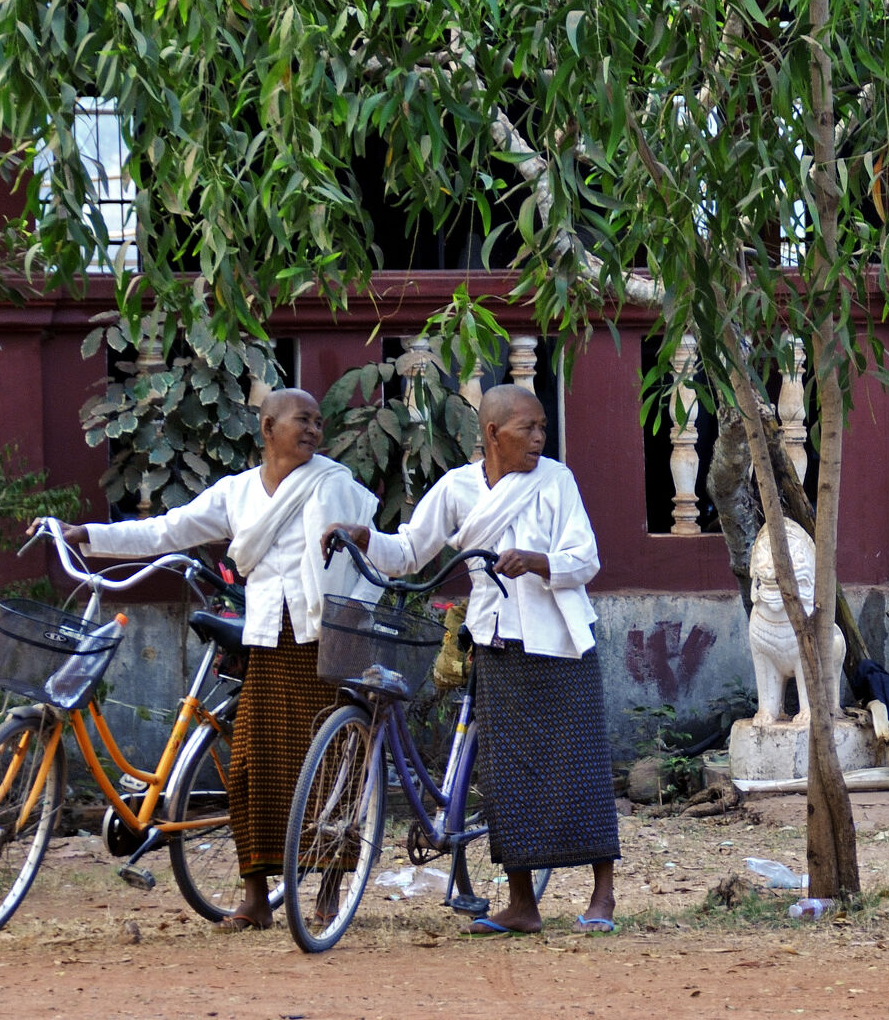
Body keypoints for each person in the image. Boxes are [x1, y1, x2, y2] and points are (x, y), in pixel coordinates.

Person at [58, 388, 378, 931]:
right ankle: (255, 900)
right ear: (268, 426)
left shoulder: (334, 483)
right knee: (250, 767)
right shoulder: (236, 493)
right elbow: (167, 529)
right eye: (302, 420)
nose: (313, 430)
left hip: (322, 641)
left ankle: (329, 887)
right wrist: (89, 534)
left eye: (319, 422)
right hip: (264, 642)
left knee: (332, 763)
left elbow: (363, 554)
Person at [337, 384, 620, 935]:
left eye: (543, 428)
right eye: (527, 428)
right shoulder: (456, 489)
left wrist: (539, 562)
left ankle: (602, 894)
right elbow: (408, 553)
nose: (540, 437)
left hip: (561, 644)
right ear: (493, 433)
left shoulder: (556, 481)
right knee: (506, 777)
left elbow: (585, 559)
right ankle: (522, 904)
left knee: (580, 769)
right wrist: (364, 537)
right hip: (496, 644)